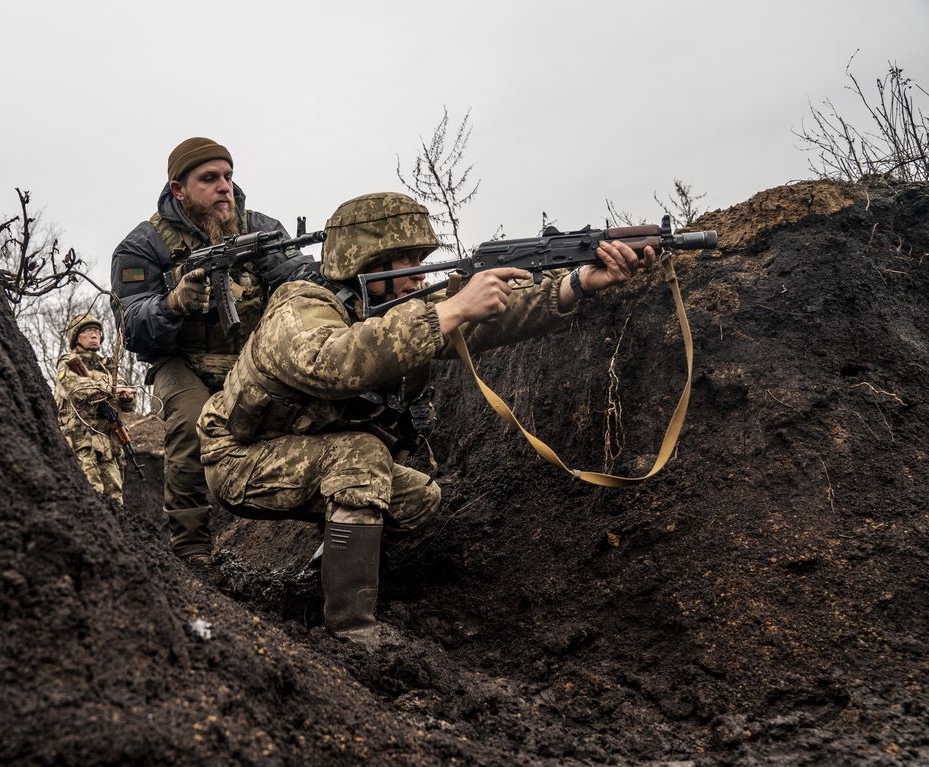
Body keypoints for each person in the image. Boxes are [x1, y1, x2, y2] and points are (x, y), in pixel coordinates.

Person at [197, 192, 655, 645]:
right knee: (360, 454)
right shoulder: (299, 306)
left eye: (421, 257)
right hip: (239, 457)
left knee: (419, 499)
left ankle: (312, 590)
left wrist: (577, 283)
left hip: (311, 452)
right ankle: (351, 630)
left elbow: (491, 319)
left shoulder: (397, 309)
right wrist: (451, 309)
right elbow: (331, 360)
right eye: (404, 259)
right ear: (364, 263)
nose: (416, 274)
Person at [111, 137, 309, 570]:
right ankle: (191, 553)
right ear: (178, 189)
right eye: (209, 178)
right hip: (180, 361)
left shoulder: (260, 228)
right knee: (189, 425)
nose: (224, 187)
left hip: (253, 357)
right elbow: (130, 325)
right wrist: (172, 303)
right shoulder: (142, 245)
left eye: (228, 176)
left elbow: (301, 282)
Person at [53, 313, 137, 505]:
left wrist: (127, 397)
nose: (94, 335)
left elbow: (128, 404)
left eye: (97, 331)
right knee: (90, 497)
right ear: (76, 337)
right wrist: (112, 390)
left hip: (108, 445)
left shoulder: (108, 368)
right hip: (81, 443)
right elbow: (78, 390)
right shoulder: (68, 362)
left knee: (115, 499)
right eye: (88, 331)